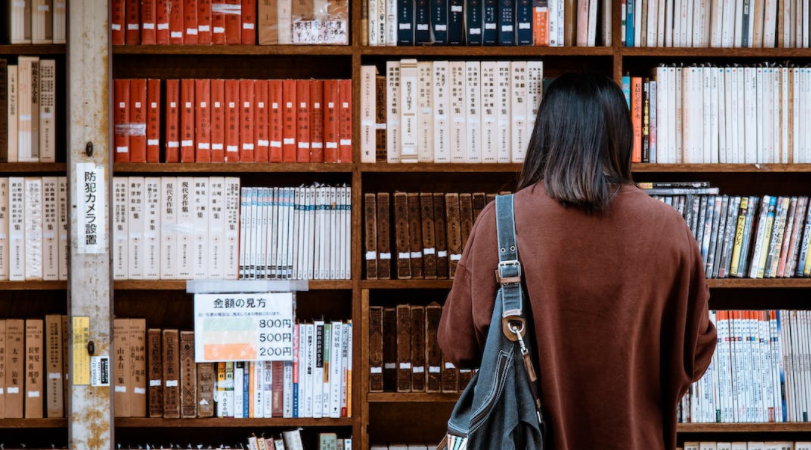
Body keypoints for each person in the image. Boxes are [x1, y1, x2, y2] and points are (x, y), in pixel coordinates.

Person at [437, 72, 717, 450]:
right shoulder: (668, 229)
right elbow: (696, 355)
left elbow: (458, 346)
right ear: (622, 136)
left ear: (546, 135)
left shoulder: (503, 221)